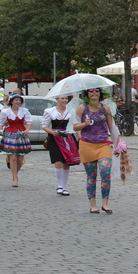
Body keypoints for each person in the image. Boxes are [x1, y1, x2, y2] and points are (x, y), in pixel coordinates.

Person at [73, 86, 119, 214]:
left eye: (96, 91)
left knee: (105, 172)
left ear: (100, 93)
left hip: (103, 144)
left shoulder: (105, 109)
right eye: (91, 91)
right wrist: (85, 124)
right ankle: (93, 205)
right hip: (87, 145)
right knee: (91, 176)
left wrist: (117, 144)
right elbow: (75, 126)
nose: (94, 93)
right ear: (87, 94)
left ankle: (105, 204)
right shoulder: (82, 108)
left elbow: (112, 127)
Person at [43, 92, 78, 196]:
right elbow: (44, 125)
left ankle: (65, 186)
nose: (64, 100)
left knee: (67, 162)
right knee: (58, 161)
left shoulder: (71, 111)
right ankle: (59, 185)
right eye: (62, 98)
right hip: (55, 139)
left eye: (66, 99)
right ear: (57, 99)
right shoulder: (50, 111)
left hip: (68, 138)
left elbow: (75, 125)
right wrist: (52, 132)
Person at [0, 93, 34, 188]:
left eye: (19, 100)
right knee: (13, 156)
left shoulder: (24, 111)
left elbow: (29, 122)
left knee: (20, 159)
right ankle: (14, 177)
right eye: (16, 100)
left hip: (21, 134)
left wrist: (27, 130)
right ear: (11, 102)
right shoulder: (6, 112)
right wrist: (1, 130)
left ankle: (15, 173)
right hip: (10, 134)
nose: (18, 102)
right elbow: (1, 123)